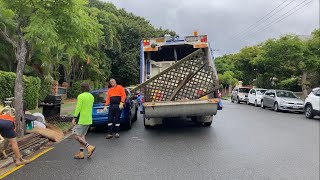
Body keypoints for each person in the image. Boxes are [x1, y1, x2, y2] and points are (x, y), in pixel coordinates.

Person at [72, 83, 96, 159]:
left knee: (75, 135)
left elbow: (78, 108)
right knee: (82, 136)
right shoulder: (91, 96)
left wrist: (74, 117)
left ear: (82, 89)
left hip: (81, 119)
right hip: (88, 119)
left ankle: (89, 147)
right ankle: (81, 153)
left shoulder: (81, 96)